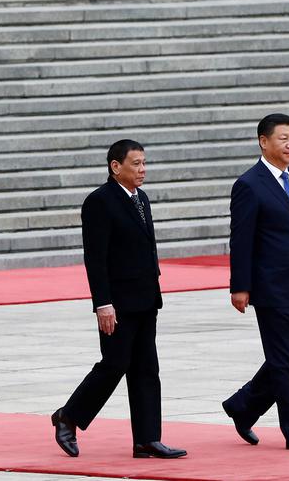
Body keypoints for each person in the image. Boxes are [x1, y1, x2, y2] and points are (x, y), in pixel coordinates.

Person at [51, 139, 187, 460]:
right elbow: (95, 259)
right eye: (136, 164)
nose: (143, 170)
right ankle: (68, 417)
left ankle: (147, 439)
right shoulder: (99, 202)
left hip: (145, 299)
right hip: (117, 303)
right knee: (114, 365)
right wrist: (103, 303)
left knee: (146, 369)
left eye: (144, 163)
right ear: (116, 167)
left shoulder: (142, 199)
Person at [222, 114, 289, 453]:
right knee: (283, 361)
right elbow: (241, 239)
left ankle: (244, 406)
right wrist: (240, 285)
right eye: (283, 138)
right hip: (272, 288)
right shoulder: (249, 184)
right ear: (263, 142)